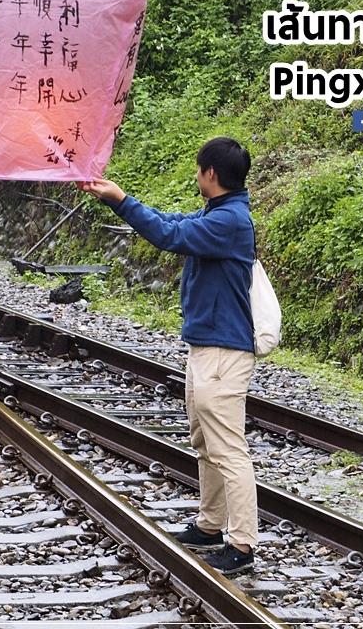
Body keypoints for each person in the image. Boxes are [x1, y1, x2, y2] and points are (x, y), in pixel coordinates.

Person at [77, 137, 257, 576]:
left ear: (210, 174)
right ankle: (211, 524)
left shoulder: (230, 220)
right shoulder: (219, 213)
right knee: (205, 441)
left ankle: (243, 543)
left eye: (199, 170)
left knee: (228, 448)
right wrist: (119, 200)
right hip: (207, 345)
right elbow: (175, 223)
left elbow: (170, 234)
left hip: (224, 350)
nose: (197, 176)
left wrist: (121, 200)